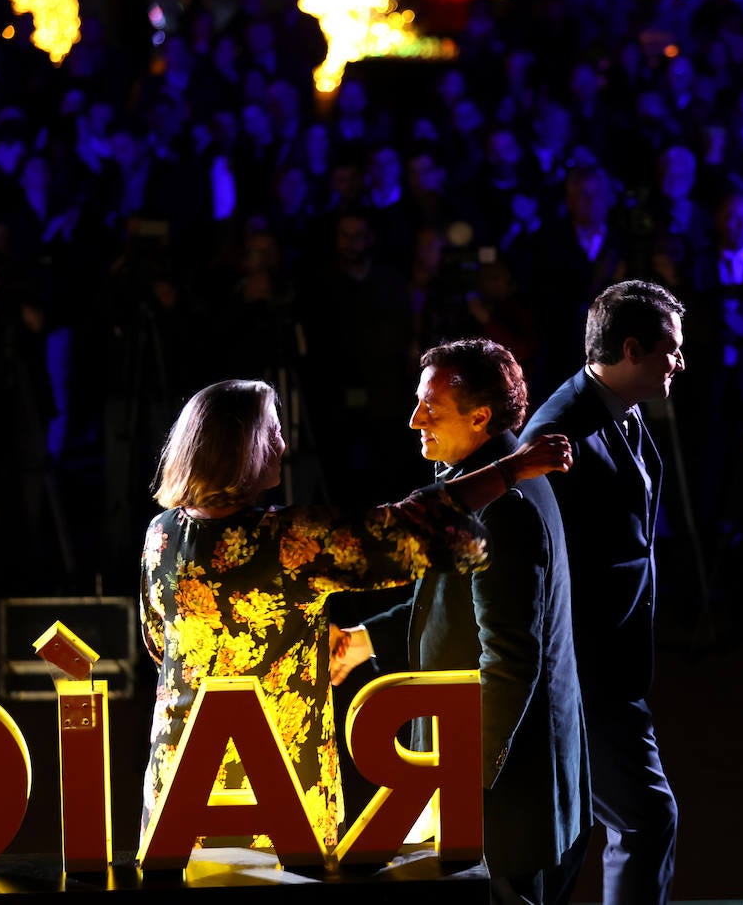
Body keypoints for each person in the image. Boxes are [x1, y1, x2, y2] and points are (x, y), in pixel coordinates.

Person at [138, 379, 572, 853]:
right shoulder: (287, 542)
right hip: (275, 798)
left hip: (179, 786)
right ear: (244, 449)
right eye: (274, 432)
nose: (285, 444)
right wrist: (510, 470)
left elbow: (161, 642)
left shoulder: (160, 535)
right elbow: (407, 527)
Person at [329, 339, 589, 903]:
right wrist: (362, 641)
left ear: (480, 417)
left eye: (431, 408)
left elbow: (510, 661)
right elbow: (443, 606)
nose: (414, 419)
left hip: (502, 799)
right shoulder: (484, 486)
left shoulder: (504, 506)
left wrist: (461, 785)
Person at [519, 280, 684, 905]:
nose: (681, 363)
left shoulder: (623, 406)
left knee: (571, 840)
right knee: (645, 818)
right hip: (583, 671)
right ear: (633, 349)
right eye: (672, 350)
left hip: (610, 666)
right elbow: (540, 565)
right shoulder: (557, 432)